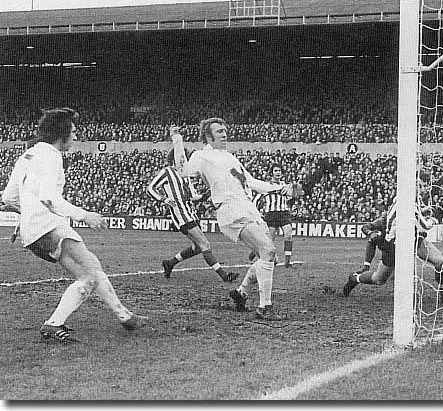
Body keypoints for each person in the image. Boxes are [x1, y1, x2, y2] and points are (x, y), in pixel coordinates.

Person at [1, 108, 148, 343]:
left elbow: (8, 198)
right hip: (48, 225)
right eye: (74, 131)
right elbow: (50, 199)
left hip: (34, 229)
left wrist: (26, 214)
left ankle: (124, 315)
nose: (76, 137)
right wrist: (84, 215)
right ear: (62, 134)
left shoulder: (28, 155)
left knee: (91, 267)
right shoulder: (51, 155)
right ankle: (53, 324)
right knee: (90, 275)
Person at [171, 119, 296, 321]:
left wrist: (281, 188)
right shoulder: (201, 156)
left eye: (225, 130)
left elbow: (251, 182)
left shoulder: (230, 157)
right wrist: (177, 141)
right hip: (231, 210)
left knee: (270, 258)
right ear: (208, 136)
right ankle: (265, 307)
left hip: (248, 208)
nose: (225, 134)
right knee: (268, 251)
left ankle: (241, 292)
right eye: (220, 131)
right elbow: (183, 171)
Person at [147, 145, 239, 283]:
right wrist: (163, 199)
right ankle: (224, 276)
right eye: (182, 158)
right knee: (205, 245)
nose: (185, 161)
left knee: (197, 248)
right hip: (181, 215)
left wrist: (206, 195)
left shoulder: (186, 176)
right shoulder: (167, 172)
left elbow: (192, 196)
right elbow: (150, 188)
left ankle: (170, 263)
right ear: (174, 158)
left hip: (191, 213)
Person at [342, 196, 443, 303]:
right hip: (393, 249)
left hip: (416, 242)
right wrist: (434, 220)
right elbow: (425, 226)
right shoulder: (384, 220)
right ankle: (355, 278)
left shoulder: (411, 208)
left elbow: (418, 218)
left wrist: (423, 211)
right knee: (379, 279)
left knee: (440, 263)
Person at [252, 164, 300, 268]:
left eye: (279, 171)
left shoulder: (285, 185)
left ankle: (287, 262)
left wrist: (296, 189)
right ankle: (257, 250)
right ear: (272, 173)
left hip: (283, 213)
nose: (278, 173)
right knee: (270, 240)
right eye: (275, 171)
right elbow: (257, 198)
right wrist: (255, 212)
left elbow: (296, 194)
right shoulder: (266, 186)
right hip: (271, 214)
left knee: (288, 235)